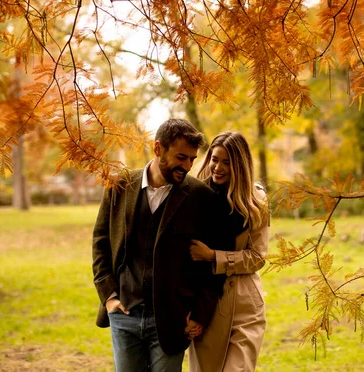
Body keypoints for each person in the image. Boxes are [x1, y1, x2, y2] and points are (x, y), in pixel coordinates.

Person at [92, 119, 227, 371]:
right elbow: (101, 244)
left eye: (192, 160)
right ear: (158, 149)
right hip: (124, 314)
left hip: (173, 319)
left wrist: (199, 313)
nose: (187, 166)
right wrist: (108, 296)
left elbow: (211, 264)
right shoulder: (120, 185)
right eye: (181, 157)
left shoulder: (200, 196)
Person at [188, 131, 270, 372]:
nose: (218, 167)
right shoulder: (195, 196)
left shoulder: (256, 201)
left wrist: (214, 256)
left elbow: (257, 257)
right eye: (215, 159)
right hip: (208, 305)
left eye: (227, 162)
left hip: (246, 306)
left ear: (240, 165)